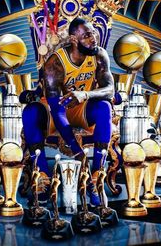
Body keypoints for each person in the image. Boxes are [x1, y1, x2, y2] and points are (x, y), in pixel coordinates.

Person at [22, 18, 114, 206]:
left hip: (80, 108)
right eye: (87, 36)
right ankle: (43, 177)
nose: (93, 38)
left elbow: (110, 90)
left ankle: (96, 176)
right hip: (56, 111)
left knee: (104, 107)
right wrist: (77, 150)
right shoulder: (54, 63)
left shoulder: (99, 55)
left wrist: (84, 94)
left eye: (93, 33)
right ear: (74, 39)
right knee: (30, 112)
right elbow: (57, 111)